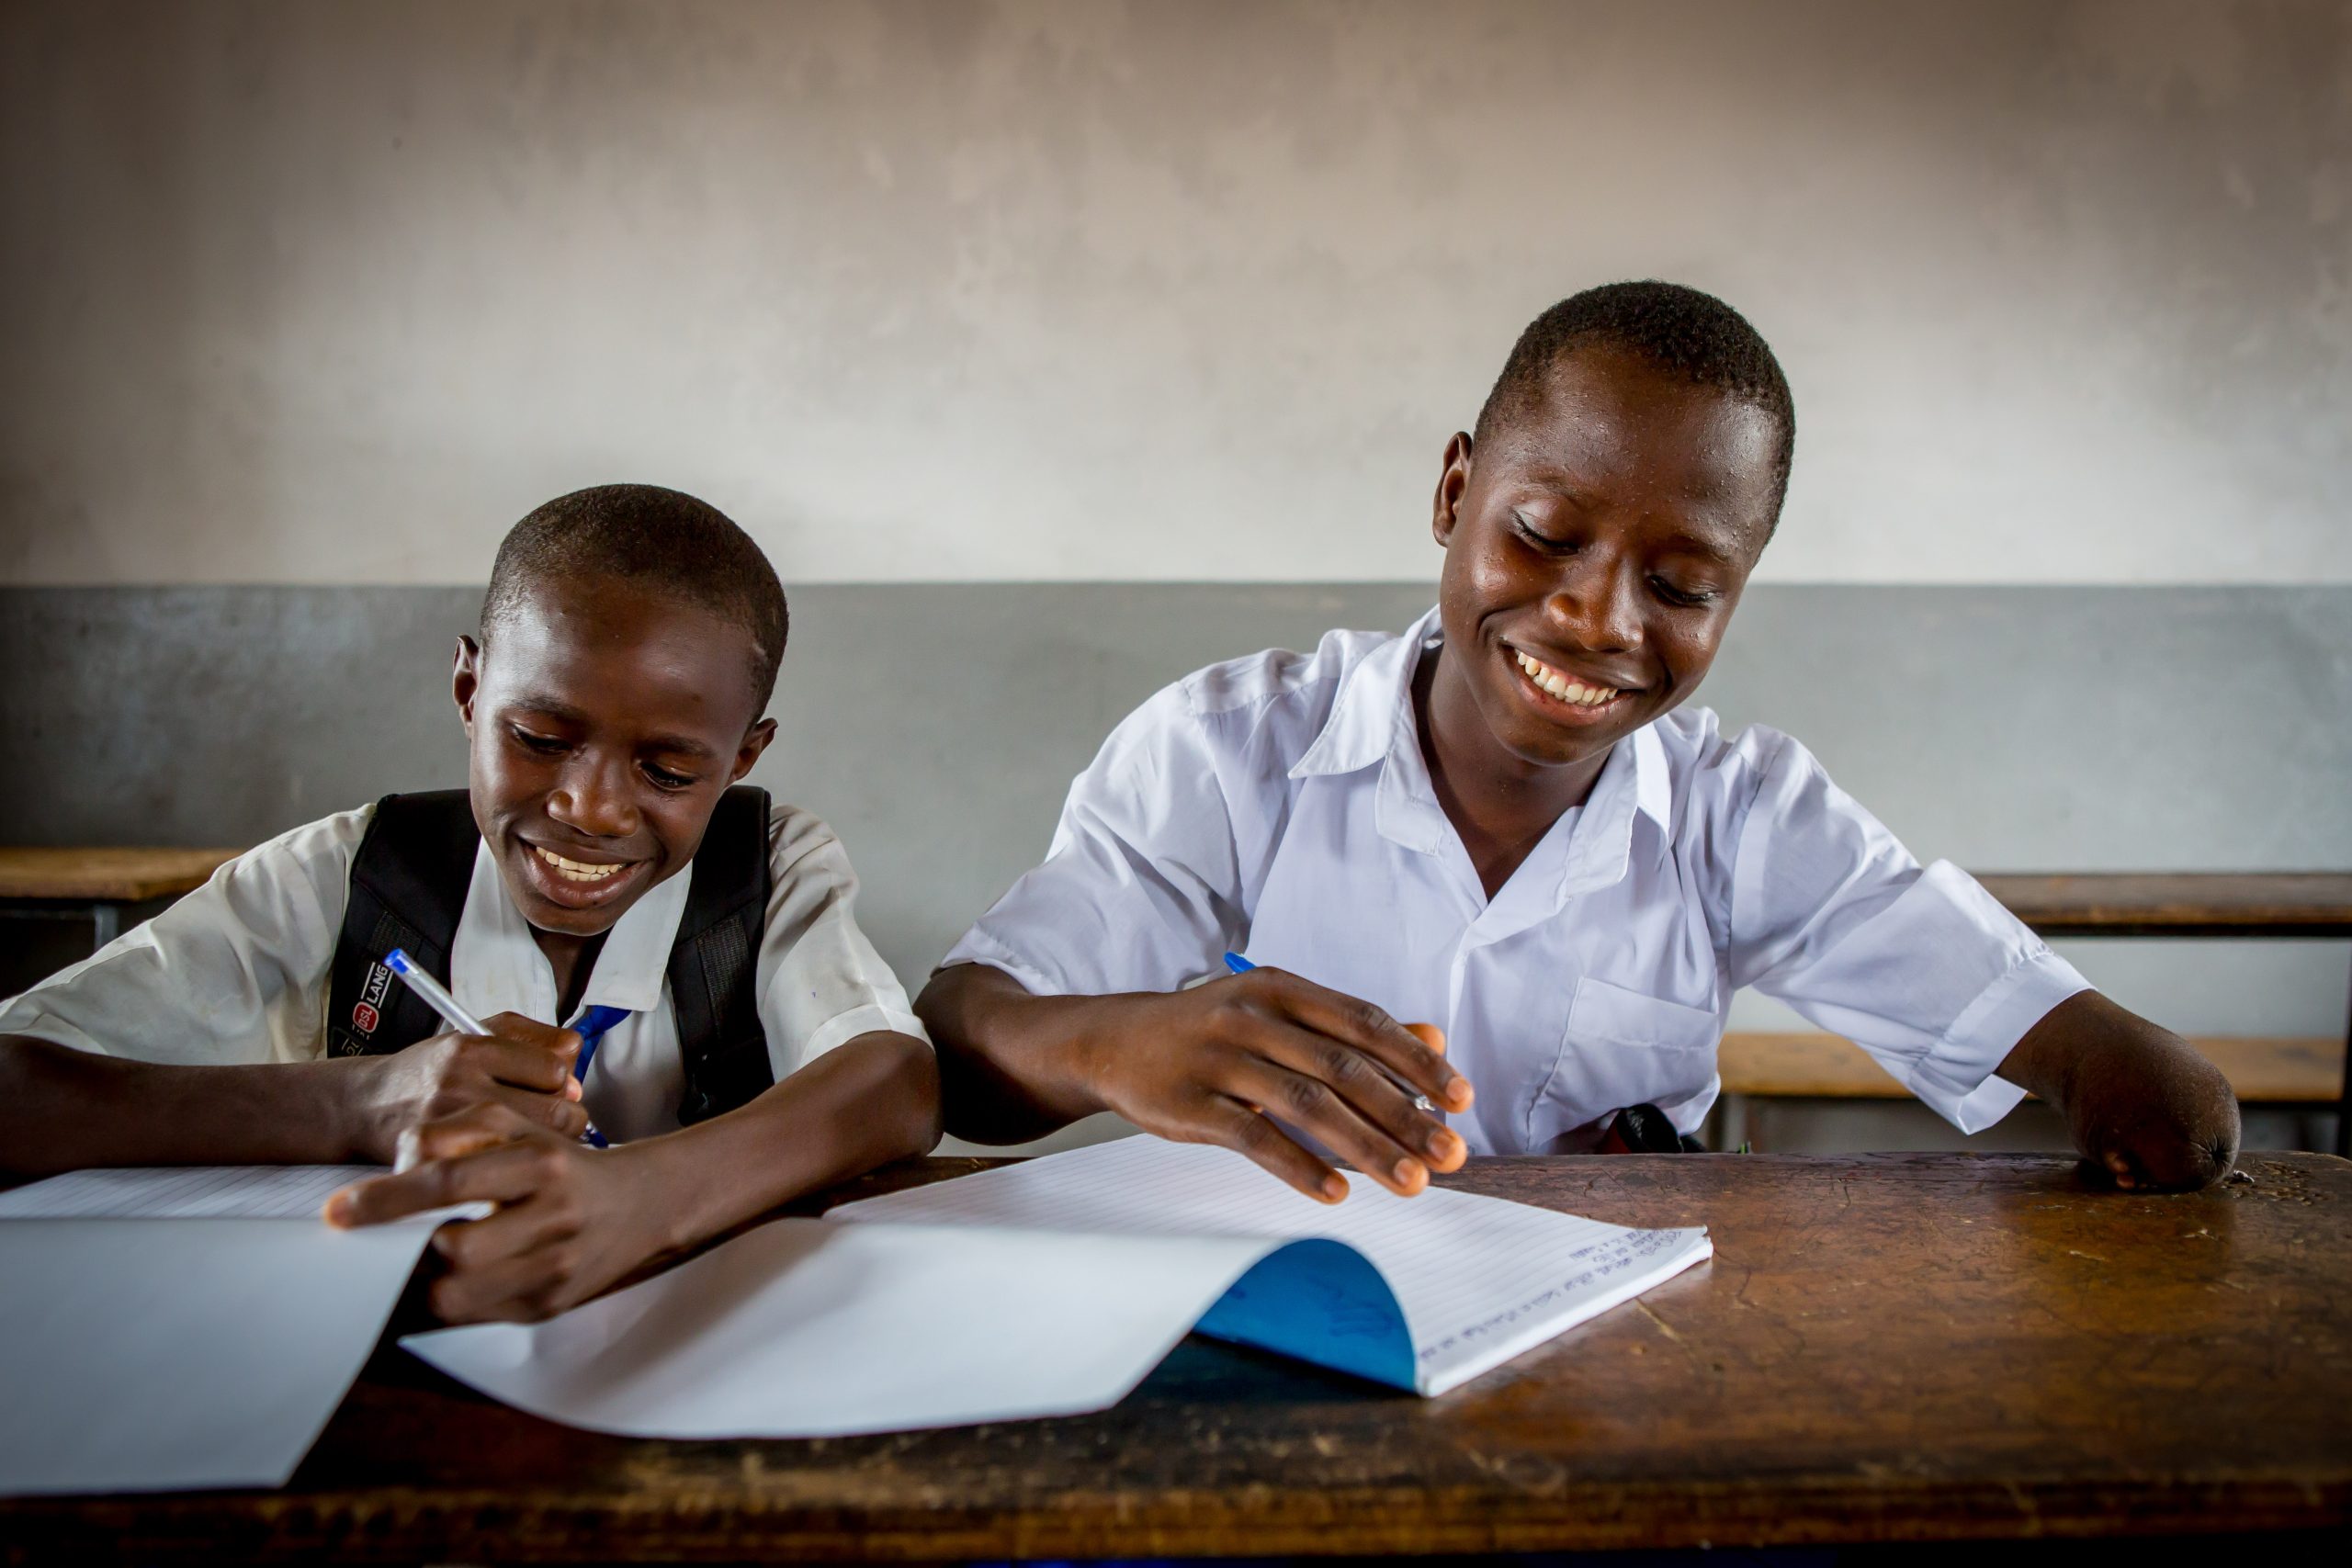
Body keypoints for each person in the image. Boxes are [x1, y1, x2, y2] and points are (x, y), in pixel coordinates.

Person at [918, 282, 2240, 1202]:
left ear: (1733, 600)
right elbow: (962, 1036)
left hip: (1603, 1355)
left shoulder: (1742, 817)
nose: (1596, 616)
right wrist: (1113, 1043)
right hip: (1282, 1321)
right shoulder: (1227, 752)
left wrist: (2127, 1072)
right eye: (1546, 534)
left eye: (1681, 585)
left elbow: (2082, 1048)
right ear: (1454, 493)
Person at [0, 484, 940, 1320]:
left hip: (694, 1348)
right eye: (537, 736)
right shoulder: (347, 875)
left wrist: (645, 1197)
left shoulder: (768, 868)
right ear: (468, 688)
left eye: (666, 769)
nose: (591, 808)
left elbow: (893, 1081)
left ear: (740, 759)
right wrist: (357, 1104)